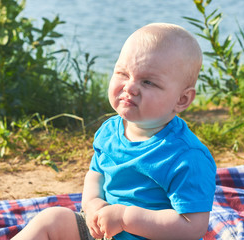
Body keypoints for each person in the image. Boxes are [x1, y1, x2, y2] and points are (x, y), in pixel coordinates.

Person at [12, 22, 216, 240]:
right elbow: (96, 173)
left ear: (182, 99)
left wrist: (126, 218)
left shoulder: (187, 156)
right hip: (103, 233)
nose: (130, 87)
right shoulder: (110, 130)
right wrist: (93, 204)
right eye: (123, 73)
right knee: (53, 219)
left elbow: (192, 227)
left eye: (147, 82)